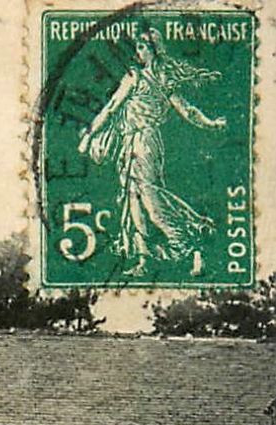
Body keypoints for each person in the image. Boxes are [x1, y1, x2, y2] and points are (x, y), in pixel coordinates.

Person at [78, 26, 226, 277]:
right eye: (138, 47)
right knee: (133, 200)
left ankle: (193, 244)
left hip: (144, 143)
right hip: (130, 143)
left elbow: (185, 109)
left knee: (152, 201)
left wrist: (210, 123)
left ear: (155, 51)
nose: (139, 52)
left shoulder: (145, 79)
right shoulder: (138, 77)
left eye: (143, 47)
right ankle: (143, 259)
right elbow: (112, 107)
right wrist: (91, 134)